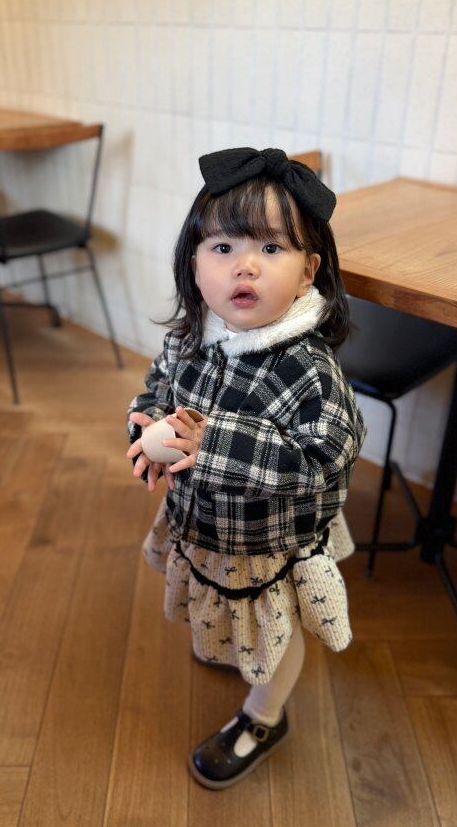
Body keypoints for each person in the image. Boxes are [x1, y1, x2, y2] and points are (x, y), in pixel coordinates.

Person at [126, 147, 366, 790]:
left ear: (308, 271)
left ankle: (264, 717)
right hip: (205, 524)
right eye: (223, 247)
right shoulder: (189, 337)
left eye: (271, 247)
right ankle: (236, 647)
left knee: (274, 634)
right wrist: (145, 430)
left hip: (265, 543)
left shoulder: (306, 370)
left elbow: (325, 457)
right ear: (194, 262)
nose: (246, 265)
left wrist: (210, 443)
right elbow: (155, 390)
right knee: (233, 616)